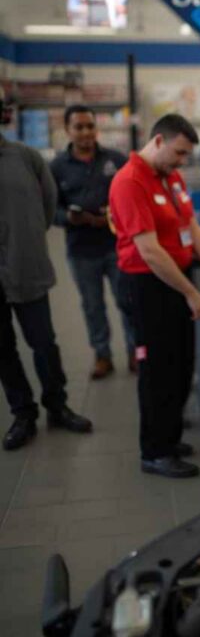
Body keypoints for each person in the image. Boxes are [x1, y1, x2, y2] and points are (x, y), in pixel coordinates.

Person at [109, 114, 200, 478]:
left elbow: (191, 226)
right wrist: (193, 292)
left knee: (179, 365)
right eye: (179, 152)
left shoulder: (171, 176)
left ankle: (170, 434)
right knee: (156, 370)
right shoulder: (129, 182)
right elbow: (148, 250)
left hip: (175, 282)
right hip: (148, 286)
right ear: (158, 141)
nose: (182, 161)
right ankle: (155, 450)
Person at [0, 88, 93, 451]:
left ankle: (57, 404)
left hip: (26, 266)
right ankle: (23, 412)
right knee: (3, 349)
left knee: (43, 343)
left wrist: (25, 238)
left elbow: (49, 201)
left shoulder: (25, 157)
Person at [50, 105, 134, 379]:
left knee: (127, 300)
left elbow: (133, 197)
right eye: (79, 127)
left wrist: (112, 216)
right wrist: (71, 218)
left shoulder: (117, 160)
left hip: (117, 247)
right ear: (68, 130)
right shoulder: (57, 167)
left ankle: (135, 352)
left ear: (96, 128)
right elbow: (51, 209)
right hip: (81, 250)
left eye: (89, 126)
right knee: (93, 306)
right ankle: (102, 355)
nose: (85, 132)